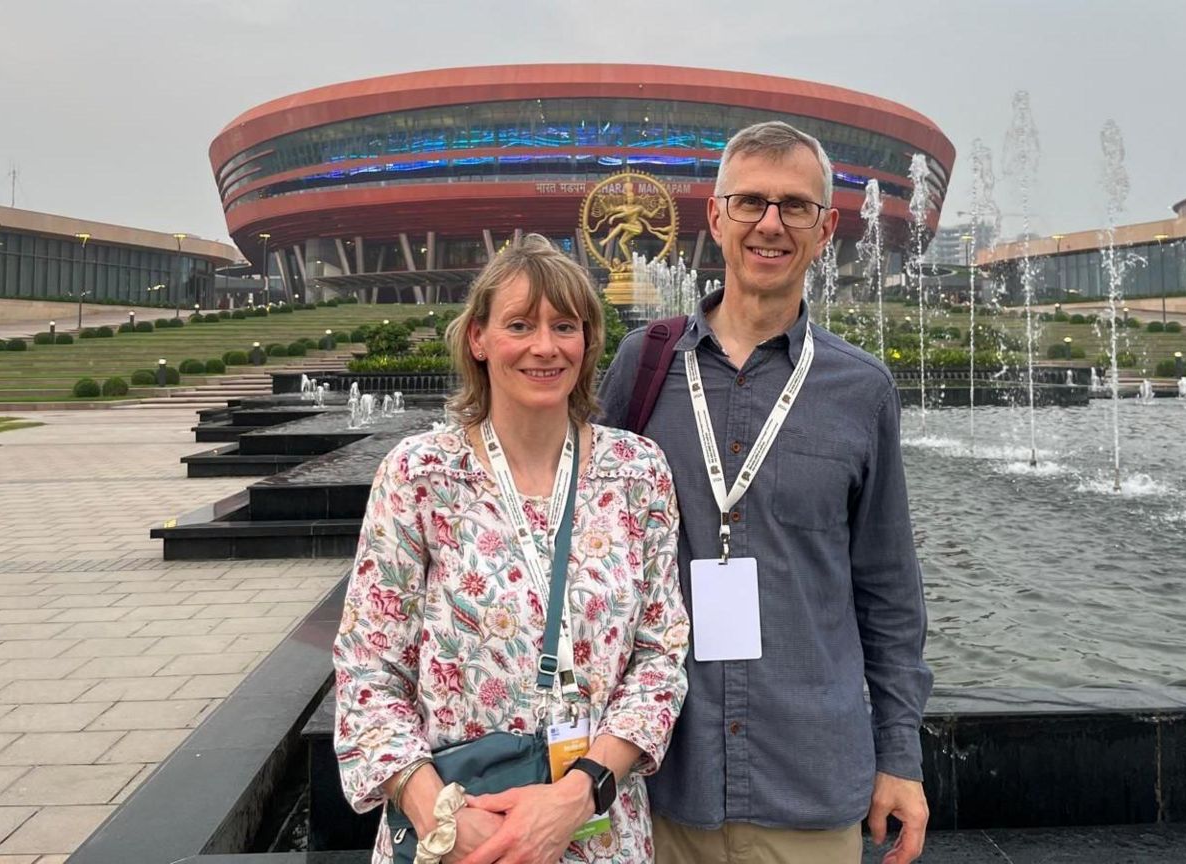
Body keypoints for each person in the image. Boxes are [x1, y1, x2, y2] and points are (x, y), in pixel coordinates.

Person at [599, 121, 934, 863]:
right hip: (659, 782)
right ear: (716, 218)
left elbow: (888, 591)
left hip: (809, 789)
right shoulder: (642, 367)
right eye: (750, 202)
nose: (771, 224)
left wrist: (900, 756)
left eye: (795, 206)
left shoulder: (861, 390)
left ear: (827, 229)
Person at [333, 234, 690, 864]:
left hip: (597, 832)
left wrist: (583, 791)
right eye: (519, 324)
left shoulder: (638, 472)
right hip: (454, 836)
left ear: (589, 341)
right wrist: (441, 815)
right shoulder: (421, 475)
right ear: (478, 337)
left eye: (565, 326)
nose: (544, 346)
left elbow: (661, 656)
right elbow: (368, 669)